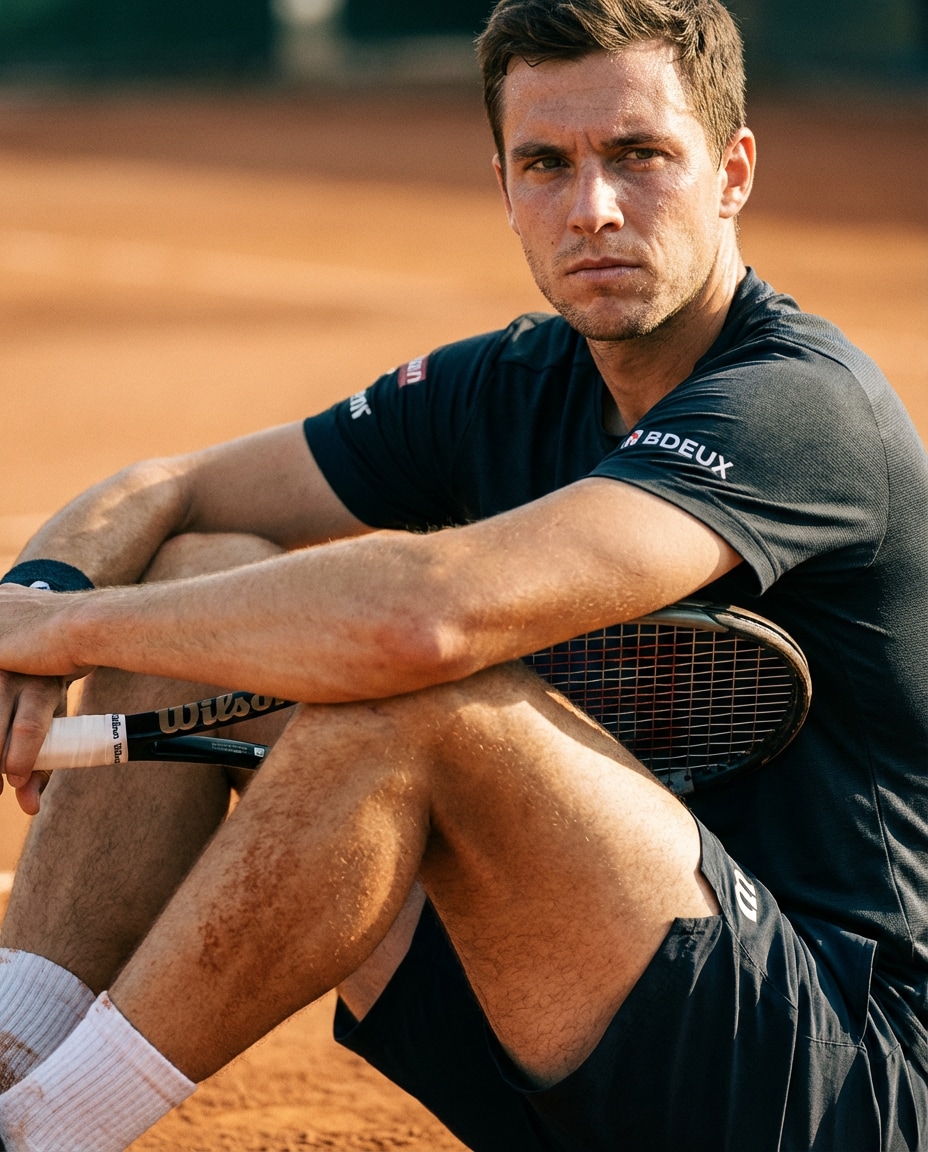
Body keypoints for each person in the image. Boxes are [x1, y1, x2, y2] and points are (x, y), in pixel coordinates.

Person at [0, 0, 925, 1147]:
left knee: (422, 702)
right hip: (560, 1016)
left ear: (730, 171)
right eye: (547, 164)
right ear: (504, 187)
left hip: (826, 1079)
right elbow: (171, 488)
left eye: (640, 157)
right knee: (201, 570)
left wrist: (72, 636)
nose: (591, 208)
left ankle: (42, 1132)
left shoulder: (797, 405)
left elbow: (422, 624)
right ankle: (14, 1052)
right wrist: (33, 602)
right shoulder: (509, 383)